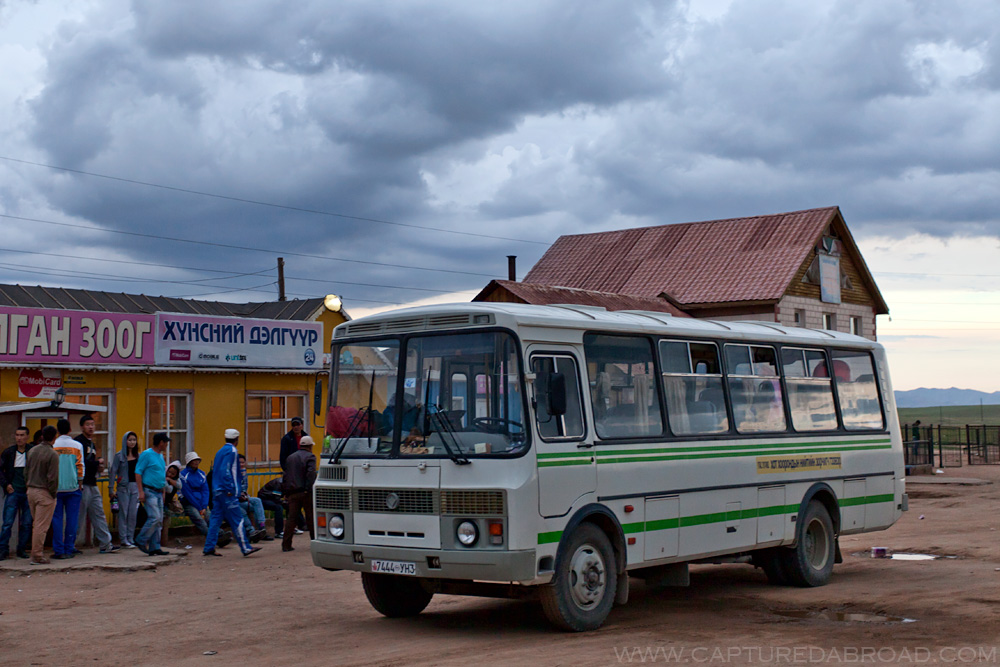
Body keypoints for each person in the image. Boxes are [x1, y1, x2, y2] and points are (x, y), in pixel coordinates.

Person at [203, 429, 261, 558]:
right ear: (237, 439)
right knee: (237, 519)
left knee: (215, 519)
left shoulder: (220, 452)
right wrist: (231, 489)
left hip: (217, 490)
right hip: (227, 491)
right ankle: (245, 547)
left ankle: (209, 547)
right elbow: (226, 472)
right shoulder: (232, 451)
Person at [75, 414, 119, 554]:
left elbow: (90, 464)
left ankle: (106, 543)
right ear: (82, 426)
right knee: (78, 516)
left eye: (92, 424)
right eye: (88, 424)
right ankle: (69, 545)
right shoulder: (78, 443)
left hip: (93, 483)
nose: (91, 427)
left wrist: (98, 467)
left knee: (99, 513)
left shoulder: (92, 443)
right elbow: (80, 463)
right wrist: (97, 463)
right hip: (81, 484)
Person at [25, 426, 60, 565]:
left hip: (31, 490)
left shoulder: (32, 451)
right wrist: (53, 493)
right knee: (41, 526)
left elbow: (26, 471)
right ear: (54, 437)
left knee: (36, 524)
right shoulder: (52, 454)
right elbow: (52, 477)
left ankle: (36, 553)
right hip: (44, 492)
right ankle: (37, 555)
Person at [51, 419, 84, 559]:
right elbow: (80, 465)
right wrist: (80, 482)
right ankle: (69, 548)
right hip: (73, 486)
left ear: (57, 431)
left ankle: (58, 550)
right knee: (72, 518)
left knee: (57, 519)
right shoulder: (77, 445)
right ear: (70, 429)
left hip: (56, 488)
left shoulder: (53, 446)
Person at [135, 432, 171, 556]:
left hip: (159, 491)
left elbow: (161, 474)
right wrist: (140, 491)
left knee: (159, 520)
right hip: (149, 490)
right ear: (161, 443)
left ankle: (155, 546)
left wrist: (163, 491)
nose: (166, 445)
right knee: (154, 517)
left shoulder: (160, 456)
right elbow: (138, 472)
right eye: (166, 442)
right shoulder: (147, 455)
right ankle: (141, 539)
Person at [0, 426, 34, 560]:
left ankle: (22, 549)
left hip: (28, 492)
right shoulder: (8, 453)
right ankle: (3, 549)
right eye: (17, 435)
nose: (19, 438)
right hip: (13, 491)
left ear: (27, 437)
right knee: (7, 522)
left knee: (26, 523)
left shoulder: (32, 452)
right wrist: (6, 484)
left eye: (22, 435)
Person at [281, 435, 316, 552]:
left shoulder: (290, 458)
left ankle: (286, 544)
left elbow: (286, 476)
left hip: (292, 492)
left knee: (291, 519)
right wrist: (308, 489)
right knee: (310, 518)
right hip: (305, 492)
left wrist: (286, 491)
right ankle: (315, 543)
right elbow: (311, 474)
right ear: (310, 446)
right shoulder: (310, 457)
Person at [109, 431, 141, 548]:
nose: (132, 442)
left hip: (135, 487)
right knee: (123, 513)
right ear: (125, 441)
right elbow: (113, 472)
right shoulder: (119, 456)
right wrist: (111, 489)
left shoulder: (139, 456)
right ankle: (123, 539)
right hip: (123, 487)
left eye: (134, 440)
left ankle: (130, 538)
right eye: (130, 440)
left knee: (133, 514)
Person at [237, 454, 270, 542]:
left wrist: (245, 496)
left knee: (257, 503)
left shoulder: (244, 473)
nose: (241, 464)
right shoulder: (232, 475)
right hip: (234, 502)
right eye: (239, 462)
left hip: (243, 499)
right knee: (242, 510)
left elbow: (245, 488)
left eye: (243, 462)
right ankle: (251, 531)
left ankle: (262, 528)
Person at [179, 451, 210, 535]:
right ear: (189, 462)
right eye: (194, 460)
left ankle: (219, 534)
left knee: (210, 517)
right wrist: (199, 507)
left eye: (197, 460)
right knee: (198, 518)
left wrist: (204, 506)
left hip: (201, 503)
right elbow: (187, 494)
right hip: (188, 503)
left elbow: (205, 491)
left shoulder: (202, 474)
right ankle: (214, 537)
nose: (196, 462)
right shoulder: (183, 475)